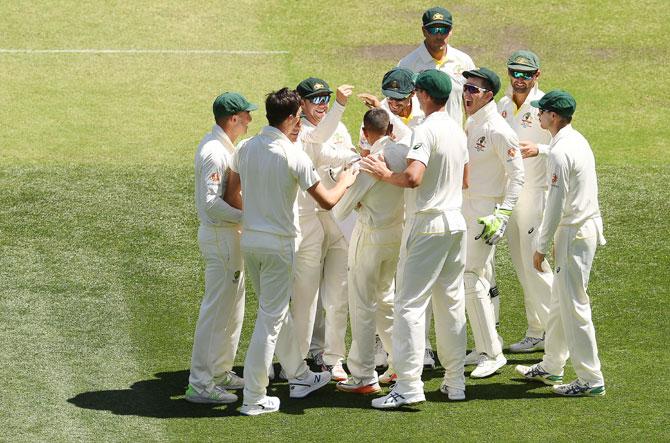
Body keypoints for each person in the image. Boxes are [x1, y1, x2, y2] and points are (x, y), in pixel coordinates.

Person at [224, 88, 358, 415]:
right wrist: (349, 179)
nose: (301, 123)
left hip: (252, 242)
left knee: (277, 312)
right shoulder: (294, 155)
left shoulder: (245, 147)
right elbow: (327, 199)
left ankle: (299, 376)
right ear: (289, 119)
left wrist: (256, 215)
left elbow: (231, 194)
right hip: (279, 245)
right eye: (298, 117)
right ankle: (254, 397)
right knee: (270, 320)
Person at [361, 69, 469, 408]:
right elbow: (465, 179)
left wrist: (383, 173)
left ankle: (408, 386)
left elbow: (412, 177)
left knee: (409, 305)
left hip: (429, 225)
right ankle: (455, 382)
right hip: (456, 223)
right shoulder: (456, 128)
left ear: (422, 94)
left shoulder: (427, 129)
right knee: (450, 304)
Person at [515, 90, 607, 397]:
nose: (538, 115)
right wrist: (541, 149)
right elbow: (559, 155)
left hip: (574, 233)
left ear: (553, 116)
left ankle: (590, 379)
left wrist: (541, 246)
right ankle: (552, 364)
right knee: (559, 302)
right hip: (582, 229)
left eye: (542, 111)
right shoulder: (573, 140)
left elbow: (555, 203)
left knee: (574, 307)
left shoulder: (560, 151)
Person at [357, 67, 434, 370]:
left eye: (400, 99)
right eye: (389, 98)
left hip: (414, 212)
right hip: (388, 214)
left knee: (411, 288)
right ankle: (384, 348)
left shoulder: (424, 121)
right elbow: (365, 153)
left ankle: (422, 348)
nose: (394, 105)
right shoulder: (378, 116)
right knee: (385, 291)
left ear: (413, 94)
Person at [184, 92, 256, 404]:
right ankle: (200, 383)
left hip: (230, 236)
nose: (251, 120)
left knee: (233, 308)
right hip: (220, 236)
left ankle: (220, 370)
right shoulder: (214, 152)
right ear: (232, 119)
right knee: (216, 311)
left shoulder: (224, 147)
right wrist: (250, 217)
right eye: (245, 115)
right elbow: (211, 205)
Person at [331, 109, 409, 394]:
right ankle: (399, 363)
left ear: (365, 133)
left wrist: (346, 181)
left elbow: (340, 210)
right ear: (390, 130)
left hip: (370, 237)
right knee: (386, 300)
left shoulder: (368, 164)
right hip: (396, 236)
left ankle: (363, 375)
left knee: (363, 304)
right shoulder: (404, 150)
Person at [460, 68, 524, 378]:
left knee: (470, 277)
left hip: (485, 211)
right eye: (465, 87)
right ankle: (487, 342)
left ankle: (492, 353)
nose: (467, 94)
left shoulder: (498, 129)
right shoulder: (471, 123)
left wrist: (501, 214)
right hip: (466, 207)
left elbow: (518, 175)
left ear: (489, 95)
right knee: (480, 276)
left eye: (473, 89)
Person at [296, 77, 358, 381]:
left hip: (339, 221)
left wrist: (355, 159)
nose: (321, 105)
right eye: (316, 100)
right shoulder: (300, 132)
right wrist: (340, 106)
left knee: (337, 295)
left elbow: (341, 151)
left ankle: (332, 358)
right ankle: (297, 358)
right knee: (305, 295)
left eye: (326, 99)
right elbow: (323, 145)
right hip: (308, 220)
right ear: (302, 102)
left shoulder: (338, 127)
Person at [497, 50, 553, 352]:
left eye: (526, 74)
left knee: (536, 264)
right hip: (512, 197)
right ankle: (537, 330)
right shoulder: (502, 106)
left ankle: (557, 330)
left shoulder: (546, 106)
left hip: (537, 194)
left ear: (537, 75)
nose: (520, 79)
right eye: (515, 73)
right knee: (521, 265)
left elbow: (565, 146)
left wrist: (540, 151)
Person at [398, 6, 475, 127]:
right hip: (419, 139)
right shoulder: (407, 65)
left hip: (452, 137)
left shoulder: (464, 61)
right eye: (434, 30)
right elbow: (397, 104)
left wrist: (470, 130)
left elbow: (472, 100)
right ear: (424, 31)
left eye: (444, 30)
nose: (439, 36)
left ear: (451, 31)